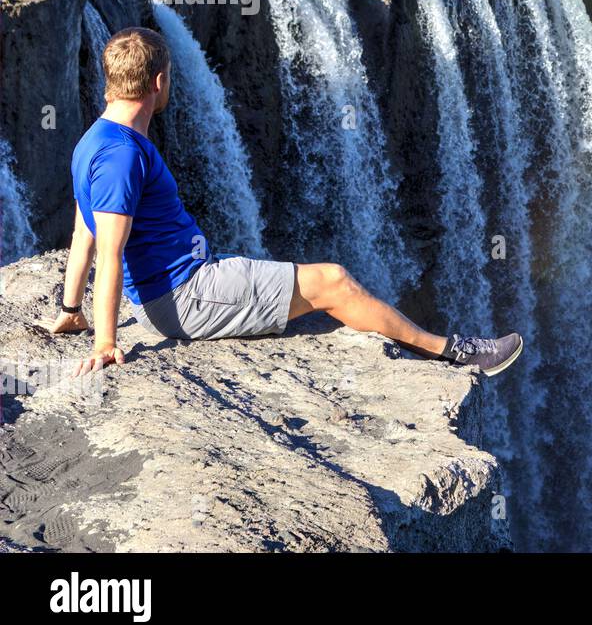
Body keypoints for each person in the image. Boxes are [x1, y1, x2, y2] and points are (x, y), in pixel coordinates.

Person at [49, 27, 523, 379]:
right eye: (169, 77)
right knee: (333, 281)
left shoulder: (92, 141)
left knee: (312, 277)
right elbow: (108, 252)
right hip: (185, 295)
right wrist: (106, 341)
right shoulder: (121, 156)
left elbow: (82, 232)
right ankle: (451, 352)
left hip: (187, 281)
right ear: (157, 83)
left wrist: (72, 308)